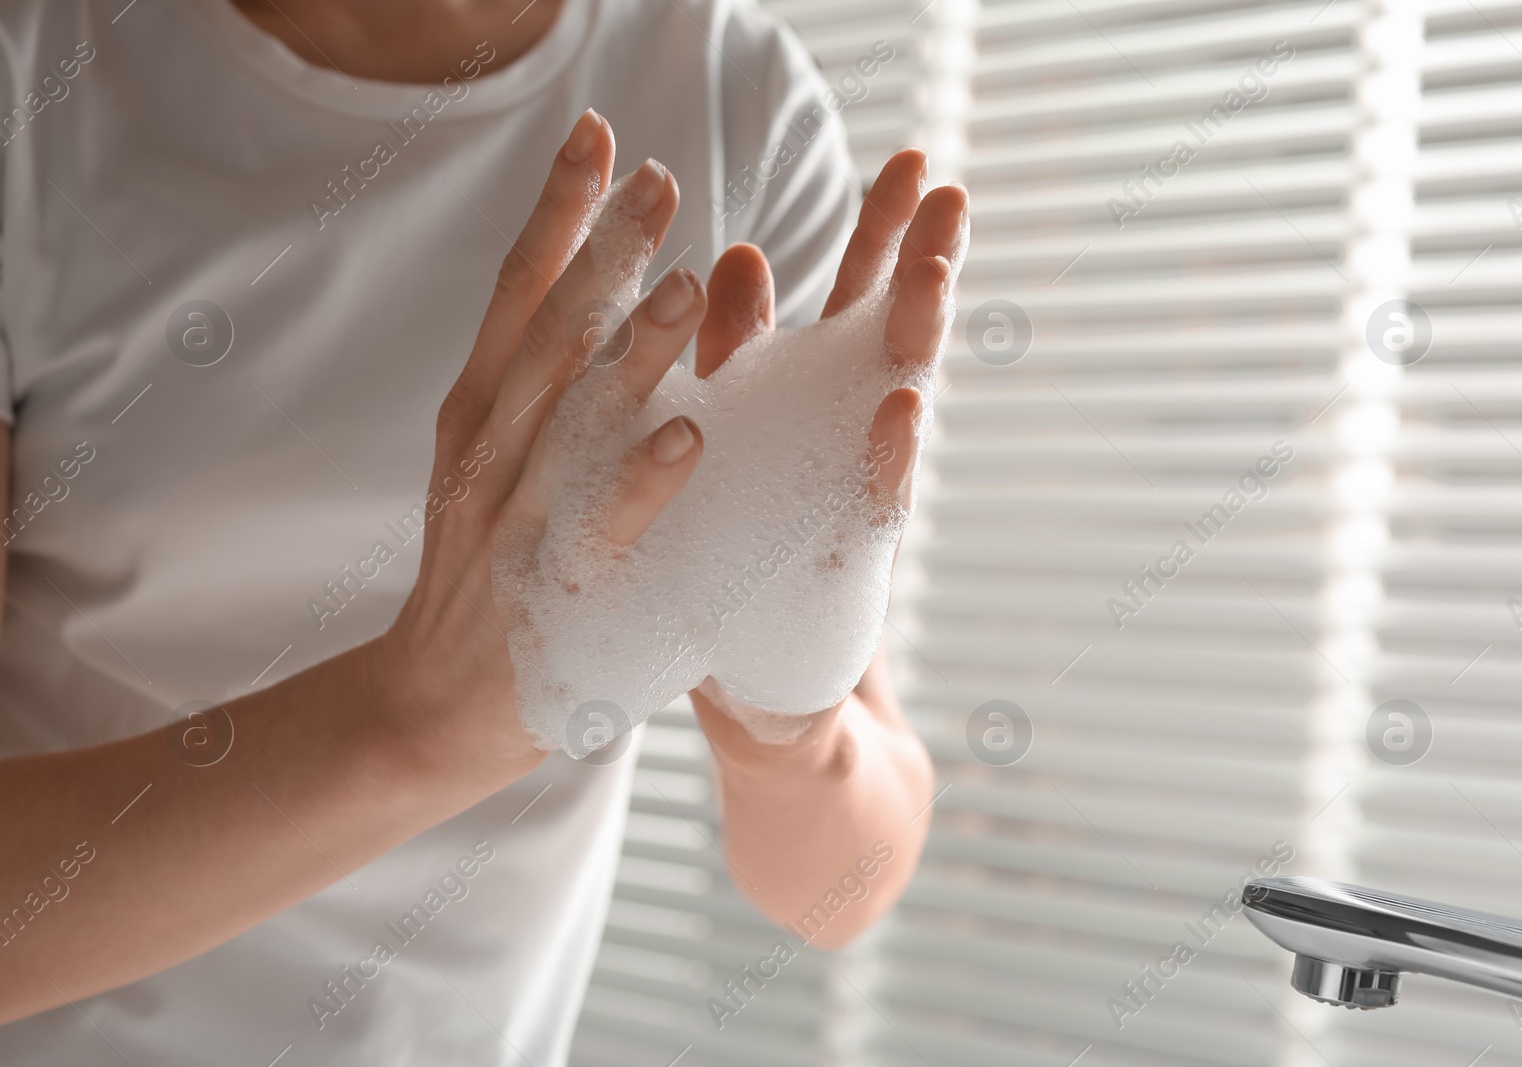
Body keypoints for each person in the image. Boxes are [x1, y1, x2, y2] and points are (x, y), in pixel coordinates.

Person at [0, 0, 966, 1061]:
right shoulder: (43, 69)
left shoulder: (734, 98)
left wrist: (787, 731)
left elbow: (840, 889)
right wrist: (411, 721)